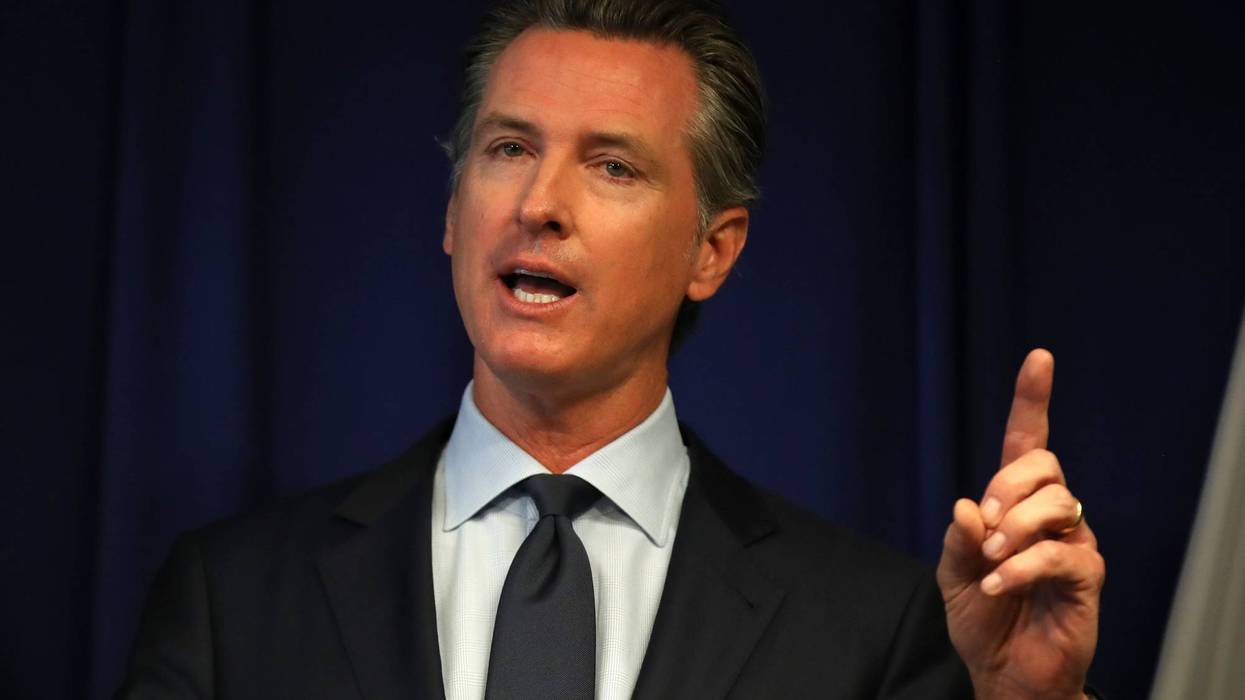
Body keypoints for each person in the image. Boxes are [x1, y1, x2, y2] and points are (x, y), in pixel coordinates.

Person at [119, 1, 1105, 697]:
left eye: (612, 164)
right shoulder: (231, 601)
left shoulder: (869, 630)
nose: (539, 204)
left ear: (712, 250)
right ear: (454, 213)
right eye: (508, 148)